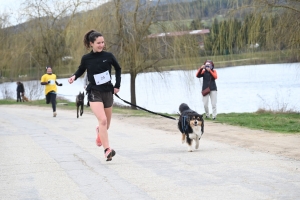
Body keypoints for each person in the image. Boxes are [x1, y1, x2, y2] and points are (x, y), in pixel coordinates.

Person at [68, 30, 121, 161]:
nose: (101, 45)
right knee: (102, 120)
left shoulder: (108, 56)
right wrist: (74, 76)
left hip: (108, 91)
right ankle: (107, 150)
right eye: (98, 43)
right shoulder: (86, 58)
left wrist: (117, 85)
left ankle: (99, 133)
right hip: (94, 92)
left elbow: (118, 68)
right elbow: (81, 69)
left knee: (106, 125)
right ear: (91, 43)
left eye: (103, 42)